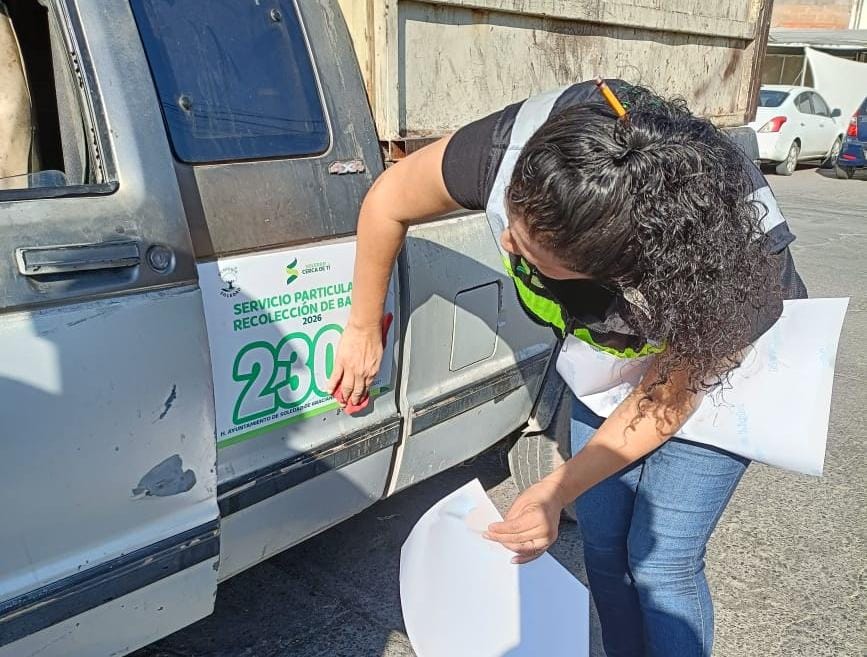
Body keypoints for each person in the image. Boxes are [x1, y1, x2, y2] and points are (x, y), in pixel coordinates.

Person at [328, 79, 807, 656]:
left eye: (529, 254)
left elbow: (663, 401)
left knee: (663, 561)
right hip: (607, 361)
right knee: (604, 545)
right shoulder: (522, 153)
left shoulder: (739, 273)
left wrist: (555, 490)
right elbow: (388, 200)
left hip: (715, 369)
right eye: (512, 220)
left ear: (613, 270)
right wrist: (362, 326)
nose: (504, 240)